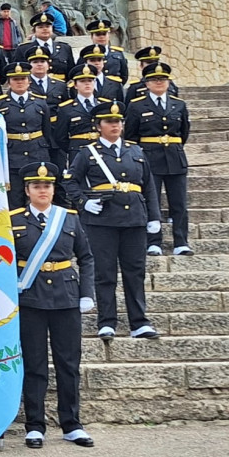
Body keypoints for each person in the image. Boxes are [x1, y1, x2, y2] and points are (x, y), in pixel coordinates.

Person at [61, 102, 162, 341]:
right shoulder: (88, 153)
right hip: (102, 220)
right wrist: (83, 202)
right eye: (109, 122)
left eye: (118, 121)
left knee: (135, 272)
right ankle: (107, 322)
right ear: (98, 126)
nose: (115, 125)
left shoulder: (135, 151)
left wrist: (154, 216)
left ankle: (139, 322)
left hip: (134, 219)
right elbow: (70, 181)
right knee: (105, 273)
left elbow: (149, 187)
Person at [13, 162, 95, 450]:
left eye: (47, 186)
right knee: (34, 364)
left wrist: (87, 293)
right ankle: (35, 425)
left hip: (66, 298)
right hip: (30, 299)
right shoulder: (13, 220)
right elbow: (2, 262)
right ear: (27, 190)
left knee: (68, 364)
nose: (43, 190)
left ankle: (72, 424)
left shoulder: (69, 218)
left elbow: (86, 257)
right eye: (37, 186)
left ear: (53, 189)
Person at [124, 62, 193, 256]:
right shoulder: (137, 106)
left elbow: (184, 133)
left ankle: (181, 241)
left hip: (175, 158)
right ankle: (153, 241)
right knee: (151, 203)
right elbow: (130, 136)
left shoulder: (178, 104)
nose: (159, 83)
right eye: (154, 80)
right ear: (146, 83)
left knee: (179, 203)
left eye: (162, 79)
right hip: (149, 158)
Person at [0, 62, 53, 210]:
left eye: (23, 78)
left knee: (38, 198)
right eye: (15, 79)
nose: (19, 82)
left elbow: (46, 131)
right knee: (15, 199)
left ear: (29, 81)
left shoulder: (40, 102)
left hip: (37, 153)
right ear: (9, 82)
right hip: (12, 156)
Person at [15, 13, 74, 80]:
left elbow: (71, 72)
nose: (45, 29)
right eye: (40, 27)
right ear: (34, 31)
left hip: (61, 87)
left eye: (47, 26)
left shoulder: (65, 48)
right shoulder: (23, 49)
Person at [87, 19, 128, 85]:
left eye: (104, 34)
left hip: (114, 91)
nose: (101, 37)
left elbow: (124, 76)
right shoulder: (86, 55)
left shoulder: (118, 53)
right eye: (98, 34)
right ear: (92, 37)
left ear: (109, 35)